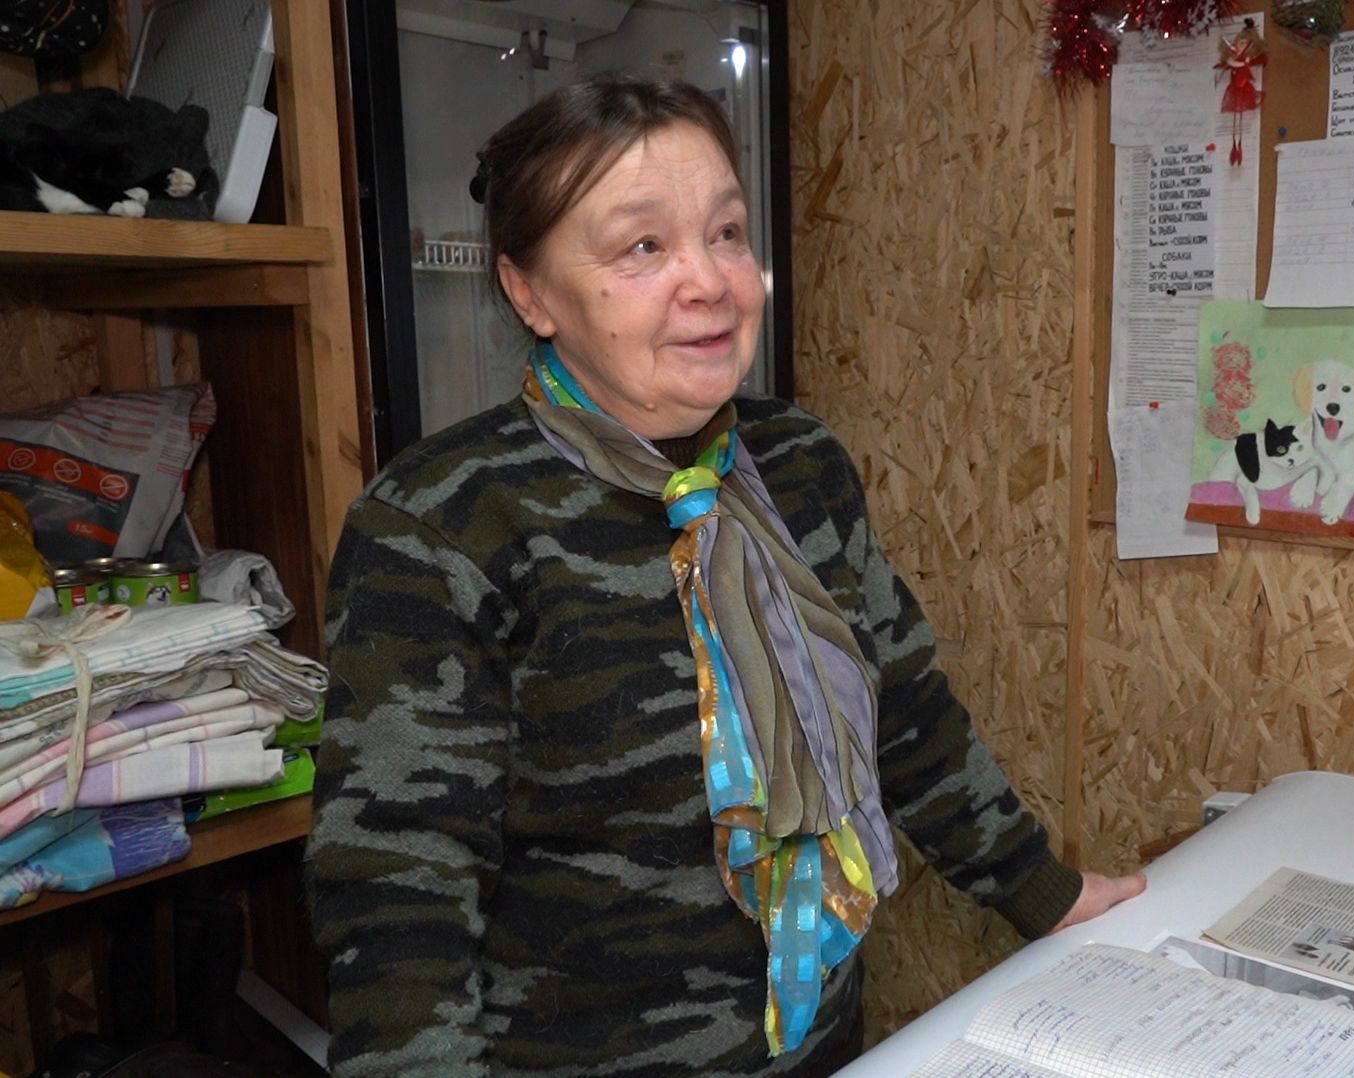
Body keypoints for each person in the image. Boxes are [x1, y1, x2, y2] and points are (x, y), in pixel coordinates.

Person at [305, 75, 1146, 1077]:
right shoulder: (442, 522)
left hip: (821, 1048)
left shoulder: (799, 462)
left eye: (728, 232)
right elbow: (398, 887)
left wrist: (1043, 891)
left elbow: (907, 713)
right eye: (643, 246)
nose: (711, 281)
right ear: (530, 292)